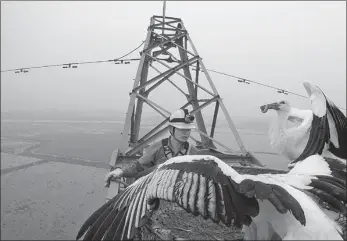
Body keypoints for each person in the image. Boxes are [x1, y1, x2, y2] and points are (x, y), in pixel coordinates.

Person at [104, 108, 199, 186]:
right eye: (182, 129)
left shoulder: (193, 153)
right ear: (171, 129)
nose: (186, 133)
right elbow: (138, 167)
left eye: (188, 130)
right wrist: (120, 171)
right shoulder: (158, 147)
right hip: (156, 198)